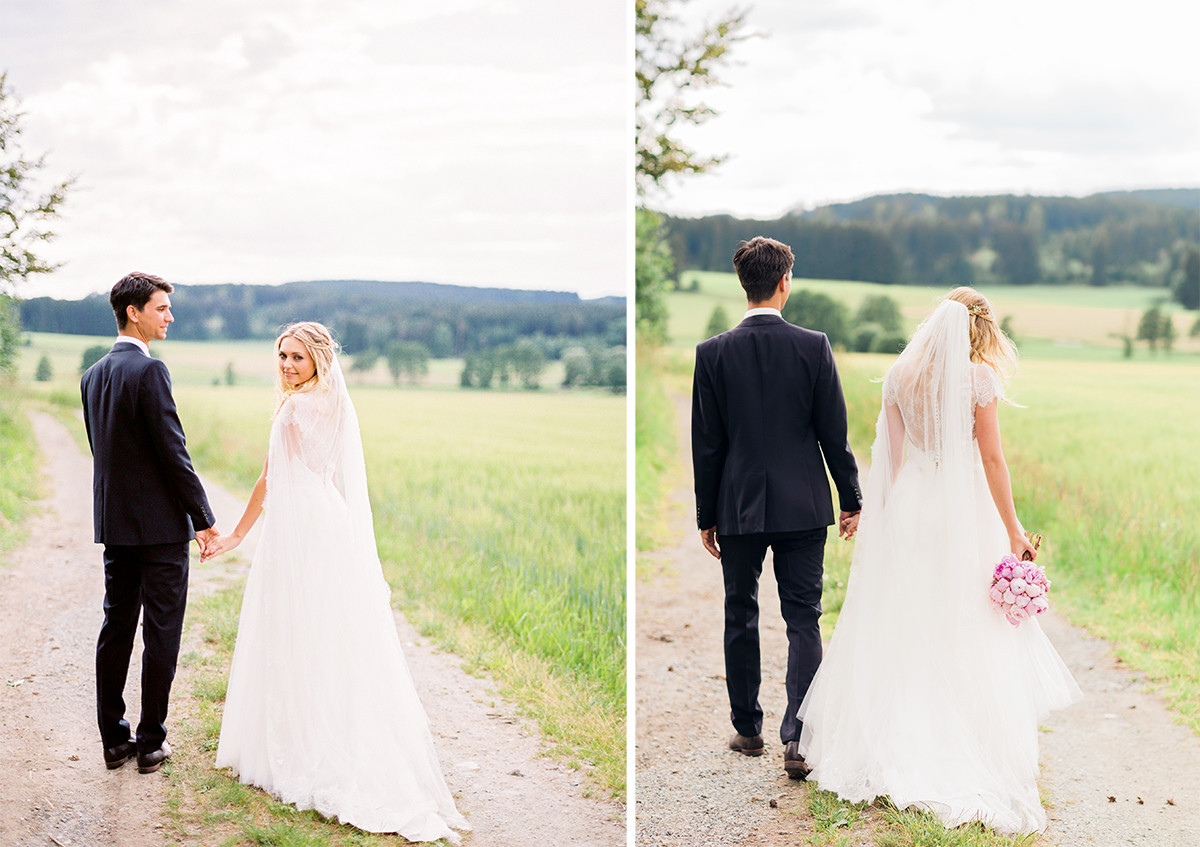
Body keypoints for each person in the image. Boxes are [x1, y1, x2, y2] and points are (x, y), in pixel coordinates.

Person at [797, 288, 1082, 834]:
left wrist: (879, 520)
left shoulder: (901, 376)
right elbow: (993, 458)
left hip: (911, 507)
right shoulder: (978, 380)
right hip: (961, 511)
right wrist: (1014, 529)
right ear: (979, 328)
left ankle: (894, 740)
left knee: (908, 620)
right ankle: (961, 743)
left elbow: (892, 460)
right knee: (962, 623)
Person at [202, 322, 468, 842]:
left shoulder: (295, 408)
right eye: (282, 355)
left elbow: (269, 478)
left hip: (299, 526)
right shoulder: (336, 404)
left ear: (318, 359)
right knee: (327, 633)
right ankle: (323, 727)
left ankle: (301, 745)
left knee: (297, 629)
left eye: (297, 357)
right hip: (328, 519)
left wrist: (236, 535)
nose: (286, 365)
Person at [691, 236, 863, 778]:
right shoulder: (814, 346)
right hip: (803, 506)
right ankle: (799, 737)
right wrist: (850, 497)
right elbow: (834, 434)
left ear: (744, 285)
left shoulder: (711, 353)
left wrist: (706, 514)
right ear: (784, 282)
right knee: (803, 618)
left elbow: (707, 444)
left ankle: (748, 729)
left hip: (737, 505)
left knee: (739, 610)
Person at [81, 272, 219, 774]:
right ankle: (151, 740)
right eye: (162, 308)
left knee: (116, 626)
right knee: (162, 631)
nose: (169, 317)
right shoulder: (151, 371)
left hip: (116, 527)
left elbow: (106, 455)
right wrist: (203, 519)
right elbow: (172, 453)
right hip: (160, 531)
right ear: (134, 312)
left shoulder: (92, 375)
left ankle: (114, 741)